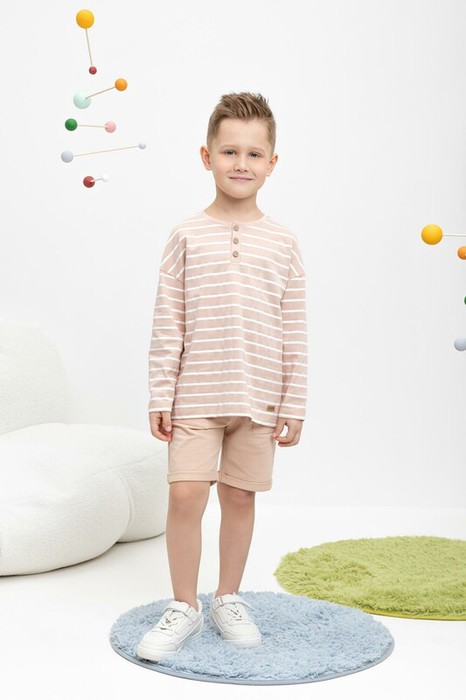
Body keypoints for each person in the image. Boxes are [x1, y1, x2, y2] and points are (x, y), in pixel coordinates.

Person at [137, 92, 308, 663]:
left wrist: (294, 401)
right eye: (230, 151)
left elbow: (294, 327)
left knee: (239, 496)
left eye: (254, 154)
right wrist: (161, 392)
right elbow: (168, 320)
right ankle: (184, 604)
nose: (241, 163)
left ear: (272, 163)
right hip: (195, 392)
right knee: (186, 493)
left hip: (260, 396)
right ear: (206, 156)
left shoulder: (284, 242)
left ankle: (227, 597)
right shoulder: (185, 235)